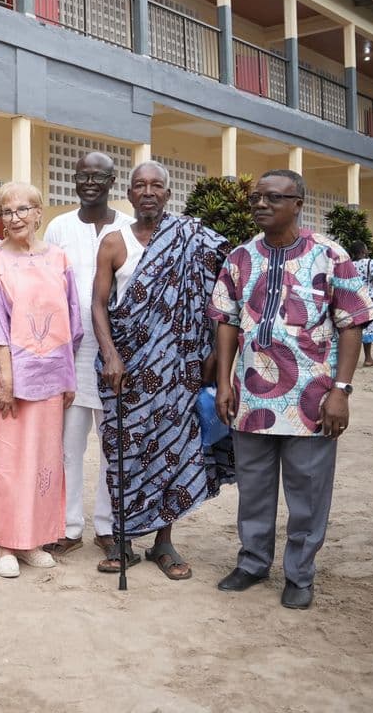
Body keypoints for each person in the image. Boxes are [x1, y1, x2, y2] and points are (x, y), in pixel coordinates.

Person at [212, 170, 373, 610]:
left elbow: (352, 323)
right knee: (254, 487)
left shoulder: (329, 255)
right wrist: (224, 381)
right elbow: (225, 321)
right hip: (251, 398)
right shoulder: (239, 258)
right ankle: (252, 562)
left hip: (312, 400)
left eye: (273, 197)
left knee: (307, 491)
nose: (261, 204)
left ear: (298, 202)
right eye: (256, 198)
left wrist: (341, 389)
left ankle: (300, 574)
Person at [92, 161, 232, 580]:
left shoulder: (193, 237)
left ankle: (163, 542)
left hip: (179, 371)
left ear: (168, 194)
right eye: (140, 185)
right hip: (128, 371)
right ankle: (123, 541)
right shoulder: (113, 243)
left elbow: (222, 297)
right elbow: (98, 304)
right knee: (125, 453)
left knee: (172, 451)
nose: (148, 192)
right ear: (130, 195)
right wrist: (111, 354)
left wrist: (214, 357)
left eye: (156, 185)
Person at [0, 182, 81, 578]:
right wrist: (6, 379)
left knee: (44, 461)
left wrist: (68, 377)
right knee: (7, 461)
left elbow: (71, 322)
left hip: (51, 376)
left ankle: (33, 540)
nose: (15, 218)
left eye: (23, 210)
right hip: (8, 376)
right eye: (6, 211)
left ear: (40, 213)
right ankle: (5, 543)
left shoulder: (59, 259)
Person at [42, 152, 133, 559]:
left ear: (113, 180)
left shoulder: (129, 229)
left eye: (99, 176)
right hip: (72, 353)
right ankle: (68, 526)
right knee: (68, 446)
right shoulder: (59, 227)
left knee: (114, 446)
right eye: (83, 175)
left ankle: (108, 527)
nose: (90, 182)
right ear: (74, 180)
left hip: (119, 352)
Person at [349, 240, 373, 367]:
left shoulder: (349, 264)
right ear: (363, 251)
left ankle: (351, 360)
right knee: (368, 330)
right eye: (366, 248)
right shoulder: (370, 262)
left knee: (354, 330)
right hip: (368, 301)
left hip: (353, 300)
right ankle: (368, 358)